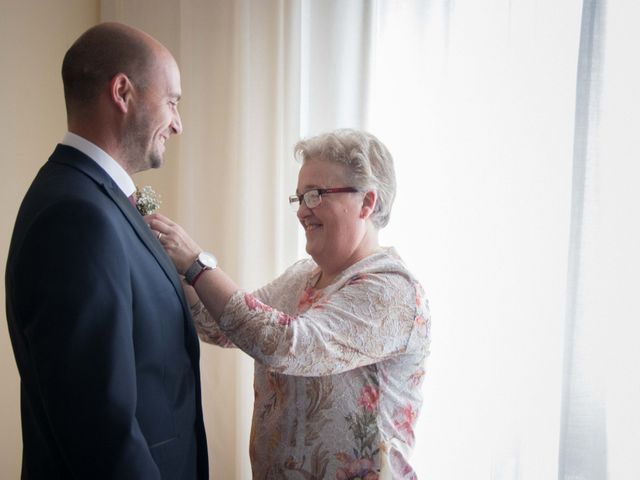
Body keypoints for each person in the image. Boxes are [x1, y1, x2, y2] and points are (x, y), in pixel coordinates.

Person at [148, 128, 430, 479]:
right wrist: (162, 256)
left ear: (367, 202)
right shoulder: (302, 277)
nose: (302, 212)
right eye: (299, 198)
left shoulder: (392, 291)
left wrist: (196, 263)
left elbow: (287, 346)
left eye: (316, 194)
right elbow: (221, 325)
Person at [5, 22, 208, 478]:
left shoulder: (91, 198)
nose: (178, 123)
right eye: (172, 102)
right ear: (122, 92)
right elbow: (99, 426)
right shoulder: (77, 216)